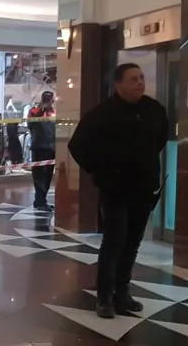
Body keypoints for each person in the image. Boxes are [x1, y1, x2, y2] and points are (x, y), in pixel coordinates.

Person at [68, 63, 168, 319]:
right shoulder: (101, 114)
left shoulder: (154, 110)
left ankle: (122, 291)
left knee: (132, 242)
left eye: (142, 77)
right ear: (118, 84)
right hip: (115, 189)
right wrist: (101, 170)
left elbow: (160, 139)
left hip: (143, 188)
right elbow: (77, 146)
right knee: (114, 241)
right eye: (134, 79)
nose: (140, 82)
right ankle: (104, 296)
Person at [27, 91, 56, 211]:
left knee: (48, 176)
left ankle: (41, 200)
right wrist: (41, 110)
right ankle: (39, 201)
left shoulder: (53, 112)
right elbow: (31, 124)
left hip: (51, 148)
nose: (50, 101)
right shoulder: (34, 111)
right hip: (39, 147)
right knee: (39, 176)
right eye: (48, 99)